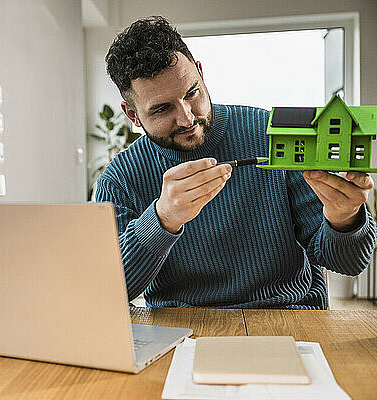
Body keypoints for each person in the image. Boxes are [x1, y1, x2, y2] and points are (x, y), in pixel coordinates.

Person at [96, 16, 377, 309]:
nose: (188, 118)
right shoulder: (119, 181)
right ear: (132, 114)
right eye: (162, 109)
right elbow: (108, 292)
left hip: (287, 317)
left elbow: (348, 263)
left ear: (201, 74)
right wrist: (162, 219)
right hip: (183, 330)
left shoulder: (273, 138)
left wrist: (344, 218)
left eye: (192, 93)